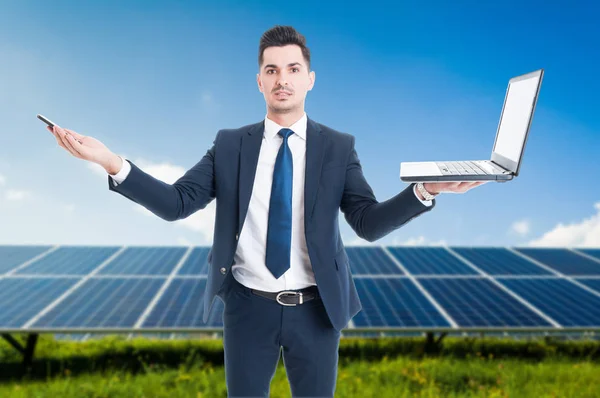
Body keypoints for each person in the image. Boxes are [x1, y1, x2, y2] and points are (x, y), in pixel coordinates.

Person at [47, 25, 486, 398]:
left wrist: (426, 190)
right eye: (272, 70)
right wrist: (110, 162)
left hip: (317, 312)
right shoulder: (229, 144)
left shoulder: (338, 147)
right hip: (246, 308)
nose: (282, 79)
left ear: (310, 79)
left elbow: (367, 223)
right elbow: (176, 203)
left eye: (293, 69)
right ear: (259, 80)